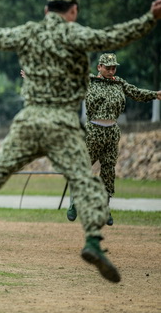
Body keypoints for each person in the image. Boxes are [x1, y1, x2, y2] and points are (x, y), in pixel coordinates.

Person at [0, 0, 161, 283]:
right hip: (63, 123)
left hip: (30, 119)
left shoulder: (29, 32)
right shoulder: (77, 34)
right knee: (83, 180)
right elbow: (116, 35)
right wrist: (150, 17)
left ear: (46, 9)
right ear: (73, 11)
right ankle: (92, 241)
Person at [67, 53, 161, 225]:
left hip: (112, 133)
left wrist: (155, 94)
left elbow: (136, 92)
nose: (111, 70)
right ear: (99, 67)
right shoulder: (88, 81)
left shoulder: (119, 83)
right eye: (108, 67)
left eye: (114, 68)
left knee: (109, 171)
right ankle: (74, 202)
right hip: (92, 132)